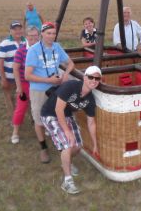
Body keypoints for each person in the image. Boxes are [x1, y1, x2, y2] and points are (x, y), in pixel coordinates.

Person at [41, 65, 101, 195]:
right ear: (85, 78)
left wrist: (95, 144)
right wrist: (67, 132)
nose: (94, 80)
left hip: (66, 116)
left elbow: (91, 122)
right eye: (91, 77)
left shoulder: (90, 100)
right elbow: (58, 109)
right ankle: (67, 181)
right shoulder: (71, 86)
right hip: (50, 113)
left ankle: (66, 162)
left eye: (97, 78)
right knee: (68, 144)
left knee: (77, 147)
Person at [25, 22, 75, 164]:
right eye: (49, 33)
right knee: (39, 121)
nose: (51, 36)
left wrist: (65, 74)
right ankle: (43, 148)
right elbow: (27, 75)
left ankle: (61, 143)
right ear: (42, 34)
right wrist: (48, 80)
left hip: (55, 89)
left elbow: (70, 64)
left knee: (58, 116)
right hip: (39, 90)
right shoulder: (33, 50)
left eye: (54, 33)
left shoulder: (57, 47)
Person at [11, 26, 40, 144]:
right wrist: (19, 87)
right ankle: (15, 132)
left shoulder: (42, 50)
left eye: (35, 36)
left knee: (40, 107)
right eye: (30, 36)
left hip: (39, 83)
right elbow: (16, 69)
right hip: (25, 84)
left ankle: (43, 127)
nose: (33, 38)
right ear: (26, 37)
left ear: (39, 37)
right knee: (21, 108)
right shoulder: (21, 51)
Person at [0, 21, 26, 117]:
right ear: (10, 31)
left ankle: (22, 115)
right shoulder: (4, 44)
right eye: (15, 29)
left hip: (22, 76)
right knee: (10, 98)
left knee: (23, 97)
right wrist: (3, 79)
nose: (18, 31)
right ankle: (14, 119)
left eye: (19, 29)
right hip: (8, 77)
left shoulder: (25, 41)